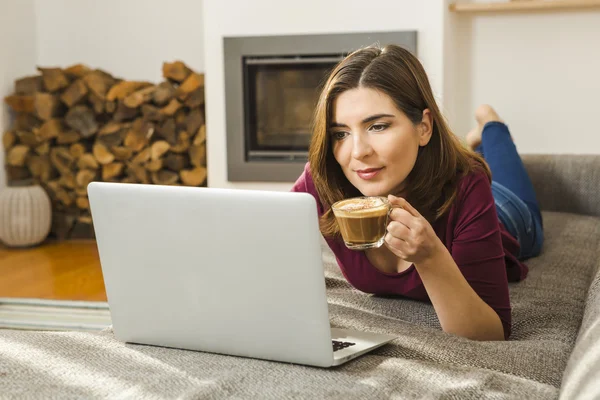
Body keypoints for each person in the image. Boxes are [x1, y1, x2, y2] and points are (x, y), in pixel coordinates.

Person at [291, 44, 544, 341]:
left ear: (423, 127)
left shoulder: (467, 187)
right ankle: (471, 140)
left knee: (513, 191)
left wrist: (431, 257)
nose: (358, 152)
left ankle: (490, 125)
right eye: (341, 134)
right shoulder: (323, 180)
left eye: (378, 126)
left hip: (506, 216)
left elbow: (491, 332)